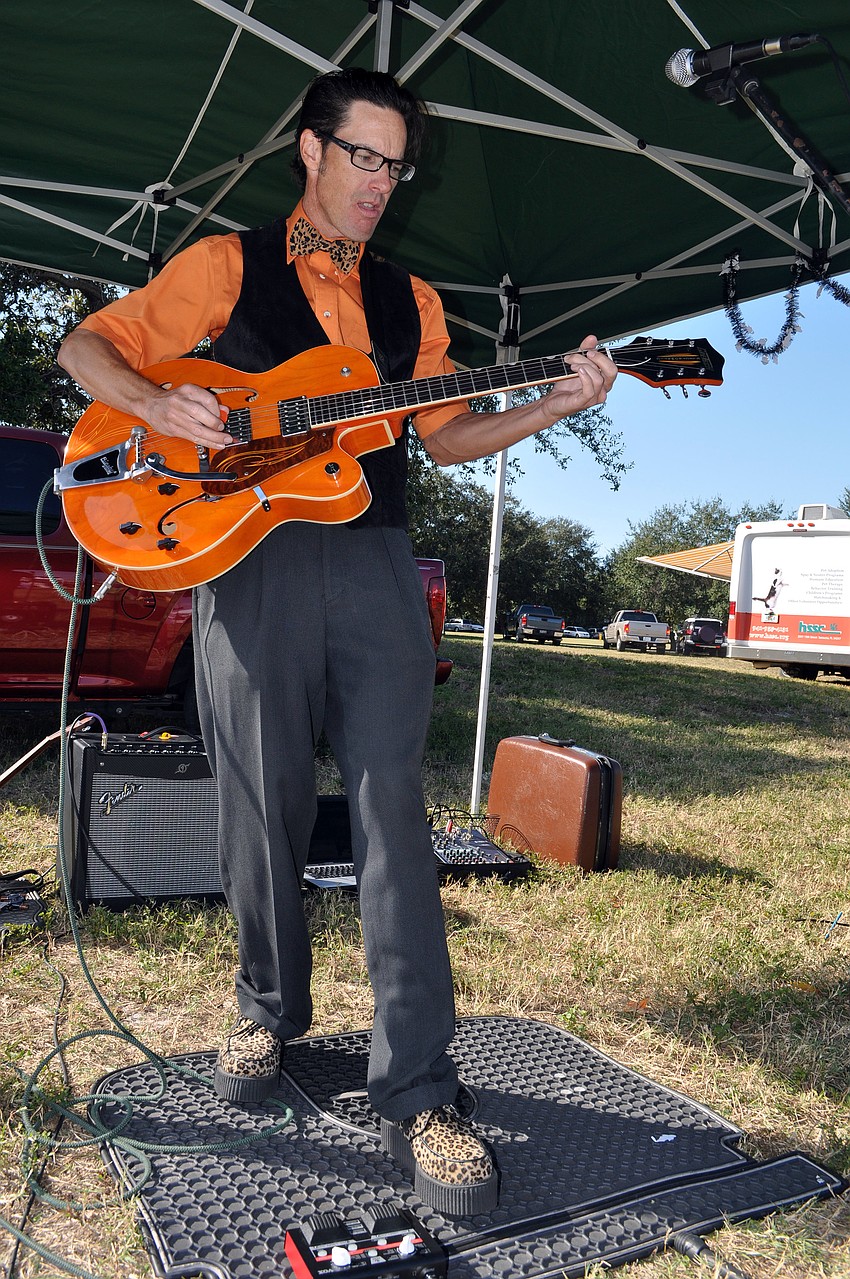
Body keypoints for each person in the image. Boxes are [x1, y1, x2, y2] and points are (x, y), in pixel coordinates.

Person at [58, 67, 616, 1218]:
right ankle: (268, 1012)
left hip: (372, 562)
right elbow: (88, 351)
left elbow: (451, 435)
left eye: (395, 164)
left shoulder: (411, 301)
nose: (379, 183)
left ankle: (418, 1086)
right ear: (309, 151)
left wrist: (558, 401)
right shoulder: (221, 264)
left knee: (389, 811)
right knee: (258, 798)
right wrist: (161, 406)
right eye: (362, 156)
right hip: (243, 560)